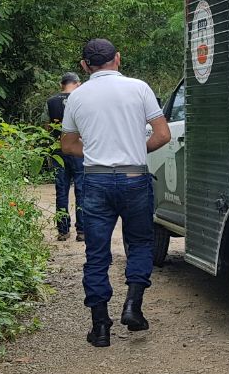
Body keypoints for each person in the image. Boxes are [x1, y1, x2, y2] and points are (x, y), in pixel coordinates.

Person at [60, 39, 172, 348]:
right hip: (135, 178)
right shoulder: (139, 88)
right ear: (118, 59)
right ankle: (133, 306)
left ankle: (100, 328)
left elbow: (68, 146)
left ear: (85, 66)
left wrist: (95, 149)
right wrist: (135, 149)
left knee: (96, 254)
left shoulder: (77, 97)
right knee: (139, 243)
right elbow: (163, 134)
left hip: (95, 181)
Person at [45, 72, 85, 242]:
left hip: (58, 151)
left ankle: (63, 231)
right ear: (76, 83)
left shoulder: (51, 102)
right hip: (78, 150)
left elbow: (46, 127)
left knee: (61, 190)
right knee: (82, 190)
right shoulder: (82, 100)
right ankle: (82, 231)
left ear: (61, 84)